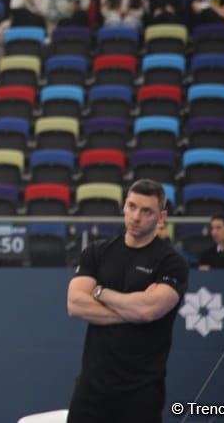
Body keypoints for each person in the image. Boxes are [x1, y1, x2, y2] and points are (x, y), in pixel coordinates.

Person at [66, 180, 189, 423]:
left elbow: (148, 310)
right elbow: (75, 304)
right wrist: (132, 310)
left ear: (161, 216)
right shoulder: (97, 251)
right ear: (123, 206)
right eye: (132, 207)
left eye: (146, 211)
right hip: (91, 389)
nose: (136, 217)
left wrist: (101, 293)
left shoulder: (171, 262)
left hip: (141, 392)